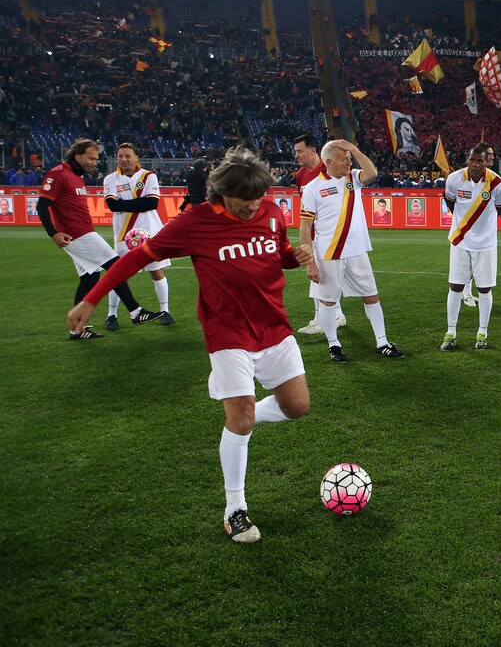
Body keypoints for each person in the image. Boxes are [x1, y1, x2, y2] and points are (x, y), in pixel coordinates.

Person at [67, 145, 316, 544]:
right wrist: (91, 299)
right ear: (223, 192)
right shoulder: (195, 222)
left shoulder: (270, 212)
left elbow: (278, 253)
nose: (253, 206)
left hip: (274, 327)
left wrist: (295, 257)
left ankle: (244, 416)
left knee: (297, 407)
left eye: (258, 198)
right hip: (227, 331)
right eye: (245, 200)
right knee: (241, 420)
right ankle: (235, 508)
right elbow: (136, 258)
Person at [39, 139, 164, 339]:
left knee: (89, 279)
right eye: (90, 158)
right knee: (115, 265)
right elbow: (42, 205)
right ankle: (135, 311)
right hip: (77, 233)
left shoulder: (76, 177)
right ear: (77, 155)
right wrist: (53, 233)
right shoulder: (58, 174)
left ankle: (76, 330)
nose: (93, 163)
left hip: (81, 232)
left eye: (95, 159)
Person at [300, 139, 404, 362]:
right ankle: (334, 345)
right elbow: (305, 227)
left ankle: (382, 342)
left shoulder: (353, 178)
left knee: (371, 296)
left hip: (357, 252)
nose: (349, 162)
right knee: (328, 301)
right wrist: (310, 262)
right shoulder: (313, 188)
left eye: (349, 158)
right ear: (329, 162)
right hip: (328, 254)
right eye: (344, 159)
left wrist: (354, 149)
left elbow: (372, 172)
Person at [442, 144, 501, 350]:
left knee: (484, 288)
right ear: (467, 160)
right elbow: (450, 201)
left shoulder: (498, 184)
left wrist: (487, 226)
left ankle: (482, 333)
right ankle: (450, 332)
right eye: (472, 160)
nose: (475, 164)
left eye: (479, 161)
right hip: (460, 240)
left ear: (487, 162)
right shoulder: (454, 179)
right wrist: (464, 224)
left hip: (486, 244)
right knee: (456, 286)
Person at [102, 142, 173, 330]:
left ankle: (165, 311)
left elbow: (151, 204)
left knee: (156, 271)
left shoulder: (149, 176)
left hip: (150, 232)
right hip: (123, 234)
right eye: (120, 156)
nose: (123, 159)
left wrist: (124, 203)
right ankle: (111, 315)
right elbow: (112, 206)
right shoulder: (111, 178)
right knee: (118, 274)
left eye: (128, 156)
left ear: (136, 158)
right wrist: (139, 202)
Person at [293, 134, 346, 335]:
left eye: (300, 151)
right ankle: (335, 315)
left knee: (322, 277)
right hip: (313, 234)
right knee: (320, 276)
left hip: (330, 234)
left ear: (313, 150)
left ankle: (322, 319)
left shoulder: (329, 169)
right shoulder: (301, 174)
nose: (296, 155)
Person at [460, 143, 500, 309]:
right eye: (488, 154)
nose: (491, 157)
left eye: (492, 154)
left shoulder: (493, 178)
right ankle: (465, 293)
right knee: (469, 267)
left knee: (477, 268)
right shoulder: (464, 178)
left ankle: (467, 292)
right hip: (468, 231)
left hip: (484, 231)